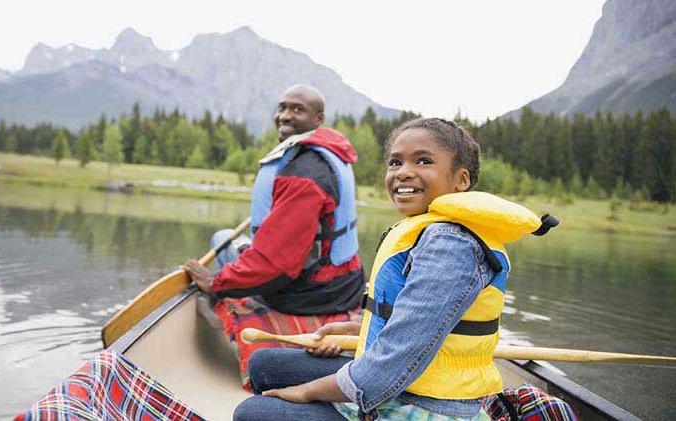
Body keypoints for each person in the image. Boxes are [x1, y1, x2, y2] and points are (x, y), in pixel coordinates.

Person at [234, 117, 558, 420]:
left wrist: (307, 392)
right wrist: (360, 327)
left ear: (461, 180)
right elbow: (417, 322)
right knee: (264, 365)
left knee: (251, 412)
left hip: (429, 405)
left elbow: (390, 366)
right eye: (395, 161)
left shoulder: (452, 245)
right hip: (403, 384)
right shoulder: (430, 229)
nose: (403, 172)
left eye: (423, 161)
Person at [183, 84, 365, 388]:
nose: (284, 115)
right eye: (282, 107)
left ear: (318, 118)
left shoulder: (304, 173)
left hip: (312, 296)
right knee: (227, 235)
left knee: (221, 243)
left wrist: (216, 282)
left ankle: (221, 313)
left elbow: (276, 265)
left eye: (297, 109)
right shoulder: (330, 153)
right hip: (346, 284)